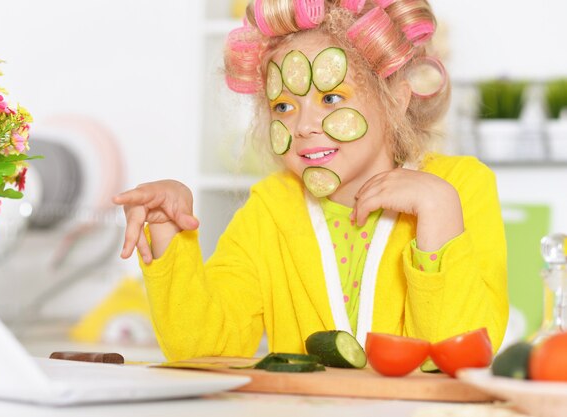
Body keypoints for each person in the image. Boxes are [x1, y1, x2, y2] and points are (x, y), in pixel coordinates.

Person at [113, 0, 508, 362]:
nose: (301, 126)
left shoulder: (459, 188)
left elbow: (465, 358)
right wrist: (167, 233)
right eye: (283, 106)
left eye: (331, 98)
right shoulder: (270, 208)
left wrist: (438, 213)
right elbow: (204, 351)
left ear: (396, 100)